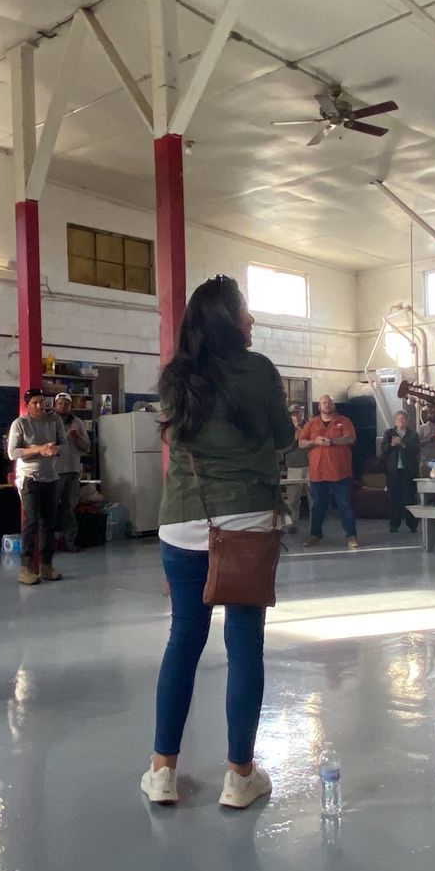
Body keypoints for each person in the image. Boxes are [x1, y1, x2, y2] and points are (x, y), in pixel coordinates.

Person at [142, 275, 294, 809]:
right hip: (248, 522)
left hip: (185, 521)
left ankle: (162, 771)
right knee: (245, 643)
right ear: (229, 320)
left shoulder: (175, 378)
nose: (252, 320)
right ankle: (239, 776)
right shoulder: (259, 372)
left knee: (184, 638)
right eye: (245, 311)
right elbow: (285, 439)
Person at [6, 388, 66, 586]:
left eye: (42, 402)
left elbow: (65, 446)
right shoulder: (20, 424)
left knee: (49, 522)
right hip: (29, 477)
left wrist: (54, 449)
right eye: (35, 403)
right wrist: (39, 449)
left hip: (51, 477)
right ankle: (25, 568)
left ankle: (46, 565)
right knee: (32, 521)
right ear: (27, 405)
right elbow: (13, 453)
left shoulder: (54, 421)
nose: (40, 406)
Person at [298, 394, 358, 549]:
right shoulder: (311, 423)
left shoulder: (344, 421)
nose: (327, 405)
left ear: (334, 405)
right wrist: (314, 441)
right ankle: (315, 535)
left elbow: (350, 439)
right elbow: (301, 443)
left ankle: (351, 535)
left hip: (340, 473)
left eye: (329, 402)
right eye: (324, 403)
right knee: (317, 505)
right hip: (318, 473)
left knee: (344, 505)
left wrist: (332, 441)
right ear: (319, 407)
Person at [52, 393, 92, 553]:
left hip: (73, 471)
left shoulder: (77, 423)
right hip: (54, 472)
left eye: (66, 404)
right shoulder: (49, 421)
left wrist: (76, 438)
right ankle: (50, 542)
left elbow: (87, 447)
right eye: (60, 403)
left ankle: (69, 542)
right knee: (51, 507)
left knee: (69, 508)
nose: (63, 406)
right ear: (55, 405)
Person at [381, 410, 422, 534]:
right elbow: (383, 450)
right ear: (395, 421)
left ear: (407, 421)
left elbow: (415, 450)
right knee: (394, 498)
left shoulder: (413, 434)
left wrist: (402, 444)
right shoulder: (389, 433)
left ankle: (412, 524)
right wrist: (392, 445)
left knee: (409, 497)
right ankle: (394, 524)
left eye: (403, 419)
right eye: (398, 419)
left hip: (408, 471)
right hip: (393, 471)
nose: (400, 421)